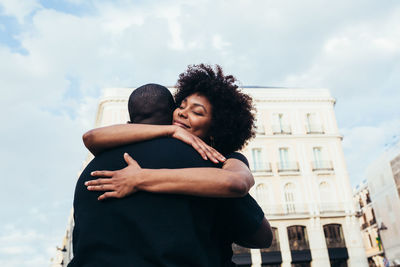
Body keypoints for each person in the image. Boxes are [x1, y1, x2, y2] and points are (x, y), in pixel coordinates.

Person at [72, 65, 272, 266]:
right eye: (182, 106)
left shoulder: (91, 171)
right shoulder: (206, 165)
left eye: (197, 112)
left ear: (218, 129)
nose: (183, 113)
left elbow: (235, 182)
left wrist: (140, 178)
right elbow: (261, 236)